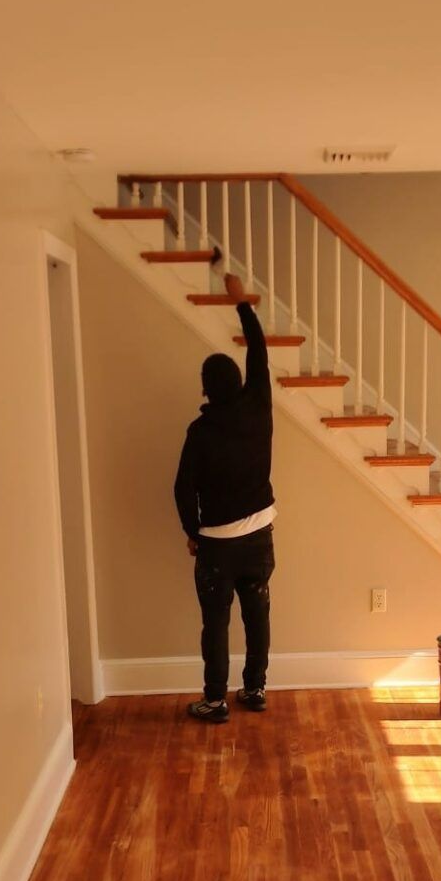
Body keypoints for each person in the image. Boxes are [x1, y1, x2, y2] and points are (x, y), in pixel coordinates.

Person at [174, 269, 276, 722]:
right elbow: (258, 350)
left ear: (205, 389)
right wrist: (241, 303)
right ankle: (253, 690)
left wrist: (191, 532)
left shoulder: (199, 432)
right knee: (257, 614)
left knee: (216, 623)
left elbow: (182, 487)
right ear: (238, 382)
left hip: (216, 545)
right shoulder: (258, 405)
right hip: (259, 538)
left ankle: (215, 701)